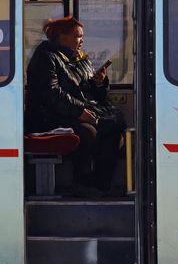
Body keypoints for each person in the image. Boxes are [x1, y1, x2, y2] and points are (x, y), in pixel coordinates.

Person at [25, 17, 126, 197]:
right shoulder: (45, 58)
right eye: (77, 36)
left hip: (71, 113)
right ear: (61, 37)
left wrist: (100, 84)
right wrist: (80, 112)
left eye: (82, 36)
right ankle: (81, 180)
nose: (82, 41)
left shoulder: (80, 59)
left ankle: (101, 184)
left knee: (116, 132)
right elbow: (51, 94)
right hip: (47, 118)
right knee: (88, 132)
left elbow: (92, 94)